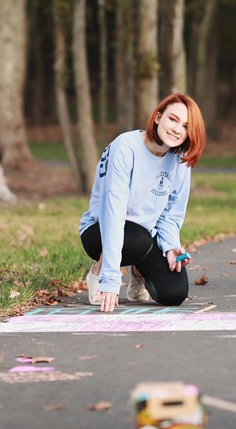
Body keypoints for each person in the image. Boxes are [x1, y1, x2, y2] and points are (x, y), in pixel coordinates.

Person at [79, 93, 206, 313]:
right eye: (173, 119)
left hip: (146, 236)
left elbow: (171, 214)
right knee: (136, 238)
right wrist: (110, 278)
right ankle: (97, 272)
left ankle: (138, 272)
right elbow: (114, 212)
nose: (177, 129)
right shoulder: (125, 147)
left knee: (174, 293)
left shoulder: (180, 160)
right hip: (100, 230)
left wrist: (169, 246)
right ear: (158, 117)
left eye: (185, 126)